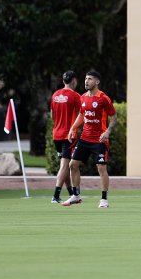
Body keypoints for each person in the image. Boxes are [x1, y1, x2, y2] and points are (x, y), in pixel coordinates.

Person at [64, 70, 117, 209]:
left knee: (101, 168)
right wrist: (72, 128)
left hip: (99, 140)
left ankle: (104, 199)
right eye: (86, 79)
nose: (86, 81)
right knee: (72, 165)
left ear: (97, 82)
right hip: (85, 139)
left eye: (90, 79)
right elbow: (82, 115)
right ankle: (76, 196)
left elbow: (114, 116)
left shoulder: (103, 98)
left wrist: (107, 132)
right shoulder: (82, 97)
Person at [50, 71, 81, 203]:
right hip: (69, 135)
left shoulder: (55, 95)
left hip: (56, 134)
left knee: (64, 165)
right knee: (65, 165)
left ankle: (71, 193)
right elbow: (82, 115)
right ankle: (56, 196)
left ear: (63, 81)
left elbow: (52, 115)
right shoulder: (75, 96)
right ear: (74, 80)